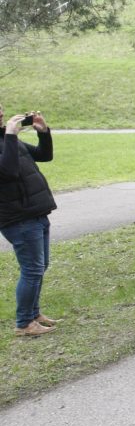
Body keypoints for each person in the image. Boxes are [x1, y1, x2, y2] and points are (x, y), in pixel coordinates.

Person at [0, 106, 60, 337]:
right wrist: (11, 136)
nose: (2, 112)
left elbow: (44, 155)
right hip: (18, 218)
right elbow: (9, 171)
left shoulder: (7, 139)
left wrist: (43, 132)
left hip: (35, 212)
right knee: (32, 269)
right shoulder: (8, 139)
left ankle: (33, 314)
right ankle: (24, 323)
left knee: (39, 266)